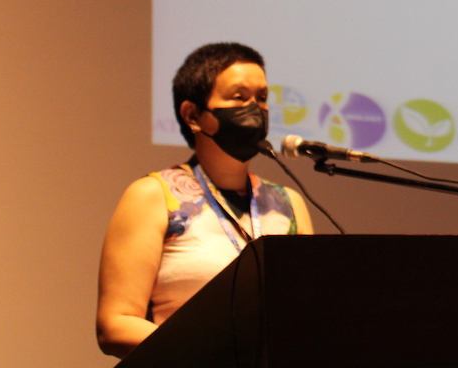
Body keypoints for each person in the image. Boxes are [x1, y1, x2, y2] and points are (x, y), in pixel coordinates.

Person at [96, 43, 313, 358]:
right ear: (193, 115)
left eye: (262, 98)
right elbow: (115, 324)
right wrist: (214, 354)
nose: (255, 109)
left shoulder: (288, 203)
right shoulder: (153, 195)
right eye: (239, 97)